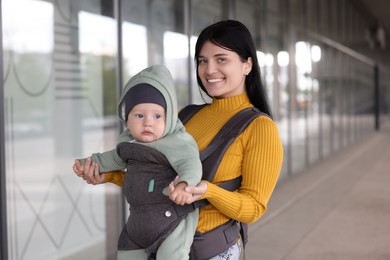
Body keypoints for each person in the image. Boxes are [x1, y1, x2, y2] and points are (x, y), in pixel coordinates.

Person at [76, 19, 283, 260]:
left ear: (247, 64)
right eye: (203, 61)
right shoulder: (184, 116)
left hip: (209, 250)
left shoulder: (259, 128)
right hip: (157, 243)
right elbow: (155, 181)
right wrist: (110, 176)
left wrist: (207, 191)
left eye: (221, 59)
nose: (209, 70)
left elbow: (253, 207)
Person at [73, 64, 202, 260]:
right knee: (126, 254)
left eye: (157, 116)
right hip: (137, 224)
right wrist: (90, 163)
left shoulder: (178, 142)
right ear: (127, 118)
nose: (148, 122)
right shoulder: (128, 143)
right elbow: (112, 158)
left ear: (169, 118)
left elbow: (191, 165)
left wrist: (184, 185)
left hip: (172, 220)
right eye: (139, 115)